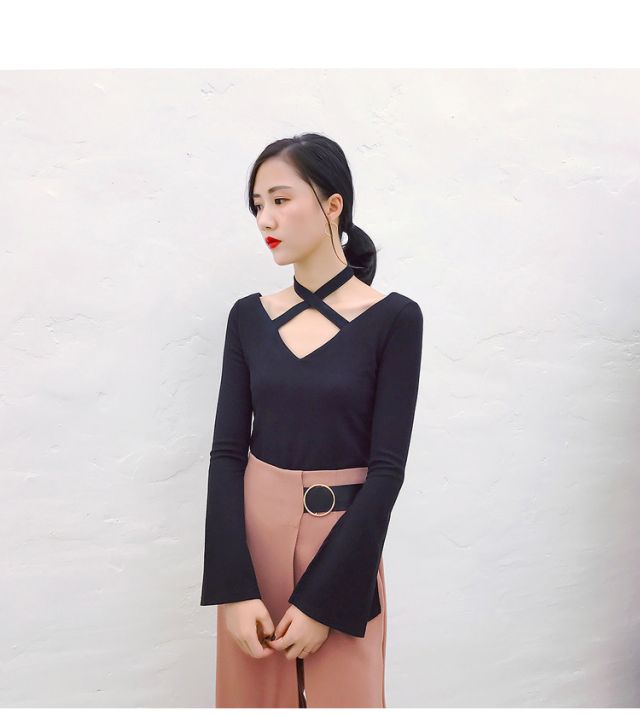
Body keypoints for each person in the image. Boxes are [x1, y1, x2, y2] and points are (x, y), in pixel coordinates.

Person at [200, 132, 423, 707]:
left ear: (332, 205)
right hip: (254, 552)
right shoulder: (248, 318)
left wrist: (325, 603)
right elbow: (227, 454)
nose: (265, 219)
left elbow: (387, 471)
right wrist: (233, 589)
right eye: (257, 205)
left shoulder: (395, 319)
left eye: (280, 199)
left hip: (344, 554)